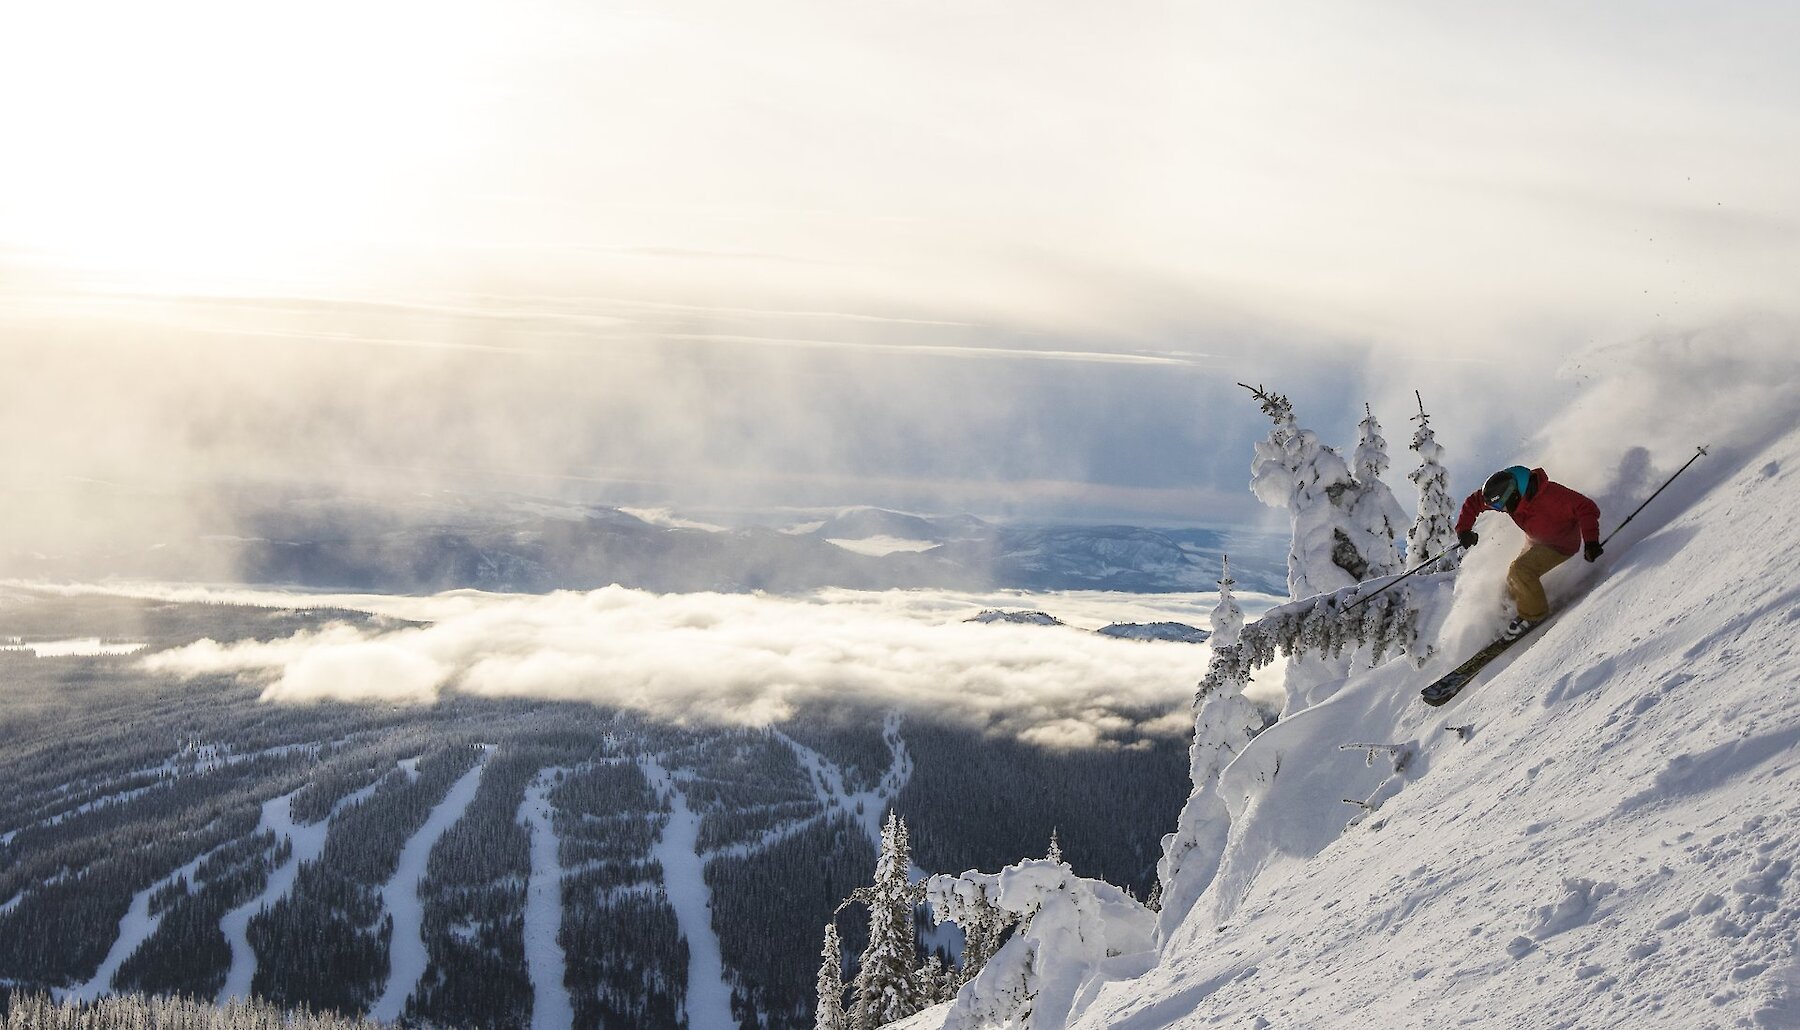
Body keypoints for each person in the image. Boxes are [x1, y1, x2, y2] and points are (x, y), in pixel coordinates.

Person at [1455, 465, 1602, 639]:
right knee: (1510, 581)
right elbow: (1475, 501)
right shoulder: (1506, 493)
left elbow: (1587, 508)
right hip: (1535, 542)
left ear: (1514, 494)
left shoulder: (1551, 495)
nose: (1502, 510)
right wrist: (1464, 529)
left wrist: (1591, 541)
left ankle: (1534, 614)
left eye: (1502, 506)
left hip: (1561, 545)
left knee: (1521, 570)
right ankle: (1509, 613)